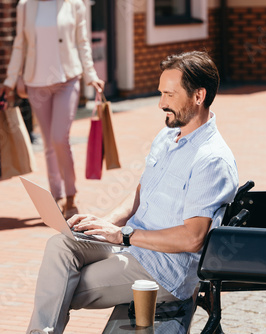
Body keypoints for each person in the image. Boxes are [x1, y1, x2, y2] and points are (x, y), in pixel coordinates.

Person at [26, 51, 239, 334]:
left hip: (163, 269)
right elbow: (142, 190)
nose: (162, 103)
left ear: (198, 96)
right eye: (161, 93)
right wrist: (105, 224)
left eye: (170, 95)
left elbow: (193, 238)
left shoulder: (211, 160)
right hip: (131, 244)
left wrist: (123, 235)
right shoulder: (167, 135)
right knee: (60, 245)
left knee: (60, 285)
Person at [1, 0, 104, 219]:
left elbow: (82, 42)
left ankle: (71, 195)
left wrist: (91, 75)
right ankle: (55, 197)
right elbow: (20, 44)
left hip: (67, 79)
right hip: (36, 84)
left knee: (60, 138)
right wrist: (10, 80)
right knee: (49, 143)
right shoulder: (25, 6)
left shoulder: (75, 4)